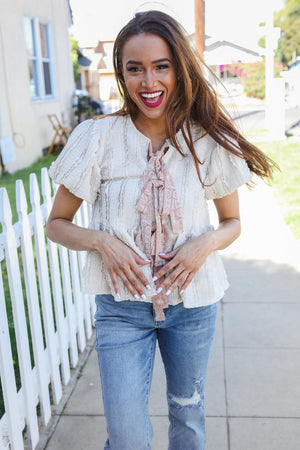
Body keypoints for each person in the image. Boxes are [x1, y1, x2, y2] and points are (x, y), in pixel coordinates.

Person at [46, 10, 276, 450]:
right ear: (122, 74)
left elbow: (233, 224)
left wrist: (204, 245)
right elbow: (56, 225)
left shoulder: (207, 138)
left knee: (187, 416)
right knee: (127, 436)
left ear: (179, 68)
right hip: (121, 309)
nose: (148, 82)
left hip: (193, 305)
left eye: (161, 66)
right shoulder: (97, 138)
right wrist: (100, 242)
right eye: (135, 69)